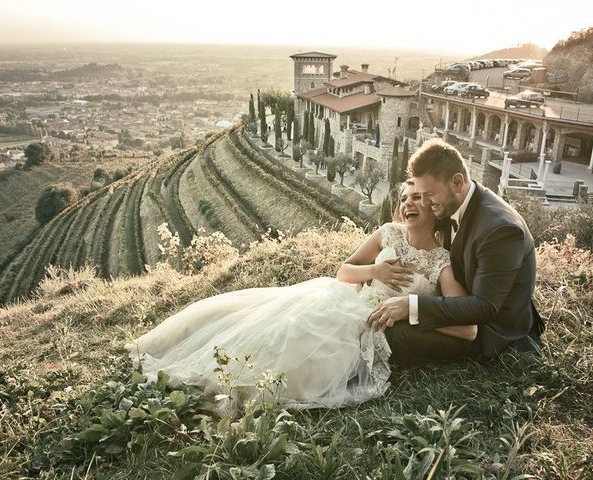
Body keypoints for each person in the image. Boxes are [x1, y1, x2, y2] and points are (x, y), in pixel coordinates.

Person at [127, 183, 475, 409]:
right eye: (403, 198)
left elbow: (464, 321)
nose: (408, 203)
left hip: (371, 328)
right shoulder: (388, 234)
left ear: (434, 207)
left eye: (417, 197)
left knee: (307, 362)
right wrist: (374, 272)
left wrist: (410, 310)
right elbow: (344, 271)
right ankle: (217, 369)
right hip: (345, 301)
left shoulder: (440, 261)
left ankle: (247, 383)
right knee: (286, 328)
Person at [368, 138, 544, 365]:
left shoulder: (501, 230)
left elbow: (485, 307)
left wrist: (411, 306)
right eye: (419, 194)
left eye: (429, 194)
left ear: (458, 182)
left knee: (393, 333)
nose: (424, 202)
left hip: (489, 332)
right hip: (456, 306)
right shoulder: (452, 202)